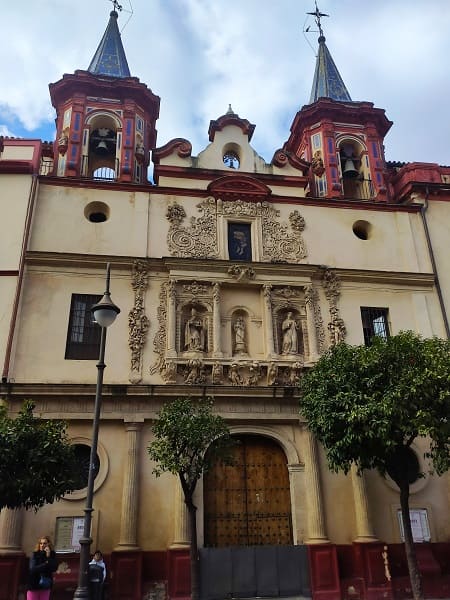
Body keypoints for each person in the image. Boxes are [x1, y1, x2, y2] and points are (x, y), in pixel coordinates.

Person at [27, 536, 58, 600]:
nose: (42, 545)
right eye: (41, 543)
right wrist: (46, 564)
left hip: (45, 585)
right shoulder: (35, 554)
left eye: (44, 543)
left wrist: (48, 556)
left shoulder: (52, 555)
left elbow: (54, 568)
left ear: (48, 544)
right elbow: (33, 569)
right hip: (34, 584)